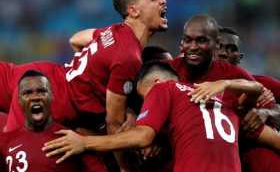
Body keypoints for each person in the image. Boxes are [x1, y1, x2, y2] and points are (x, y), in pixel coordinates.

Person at [4, 0, 167, 171]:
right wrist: (125, 167)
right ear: (133, 10)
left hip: (42, 74)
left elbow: (75, 39)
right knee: (17, 156)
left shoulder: (113, 31)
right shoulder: (128, 57)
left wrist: (89, 76)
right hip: (49, 99)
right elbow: (113, 123)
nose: (163, 0)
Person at [42, 61, 267, 172]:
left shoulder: (164, 89)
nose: (148, 103)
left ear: (158, 83)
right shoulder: (221, 99)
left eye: (145, 96)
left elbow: (142, 137)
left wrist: (84, 143)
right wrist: (225, 83)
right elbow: (256, 89)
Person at [217, 27, 280, 172]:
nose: (223, 53)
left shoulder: (260, 84)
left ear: (239, 57)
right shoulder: (190, 87)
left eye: (231, 49)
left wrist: (268, 113)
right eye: (218, 46)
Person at [0, 70, 81, 172]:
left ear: (51, 96)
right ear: (19, 101)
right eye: (27, 93)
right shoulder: (5, 142)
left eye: (42, 91)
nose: (35, 97)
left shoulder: (72, 139)